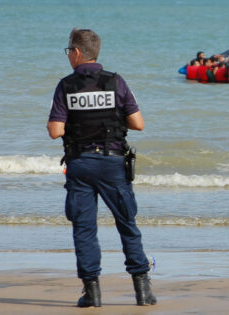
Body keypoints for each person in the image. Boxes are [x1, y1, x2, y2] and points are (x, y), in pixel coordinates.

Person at [47, 28, 157, 308]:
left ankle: (92, 293)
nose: (68, 56)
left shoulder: (66, 85)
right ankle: (142, 291)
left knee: (84, 229)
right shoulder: (116, 82)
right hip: (112, 163)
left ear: (77, 52)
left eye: (68, 51)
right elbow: (138, 124)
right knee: (127, 224)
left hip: (80, 164)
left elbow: (55, 130)